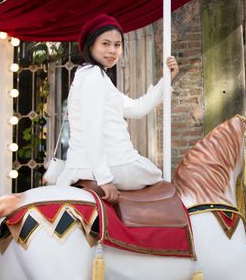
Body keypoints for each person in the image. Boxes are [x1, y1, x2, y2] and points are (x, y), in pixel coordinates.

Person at [56, 14, 178, 203]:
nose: (112, 50)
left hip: (99, 164)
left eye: (117, 45)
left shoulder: (96, 77)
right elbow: (91, 130)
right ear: (91, 45)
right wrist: (104, 178)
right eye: (105, 44)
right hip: (111, 165)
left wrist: (167, 79)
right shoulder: (93, 76)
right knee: (157, 177)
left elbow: (137, 109)